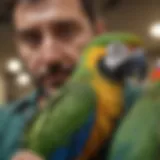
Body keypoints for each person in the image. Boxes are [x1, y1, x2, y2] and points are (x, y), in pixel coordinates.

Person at [0, 0, 107, 160]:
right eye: (31, 39)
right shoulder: (4, 124)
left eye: (67, 32)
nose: (50, 57)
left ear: (99, 32)